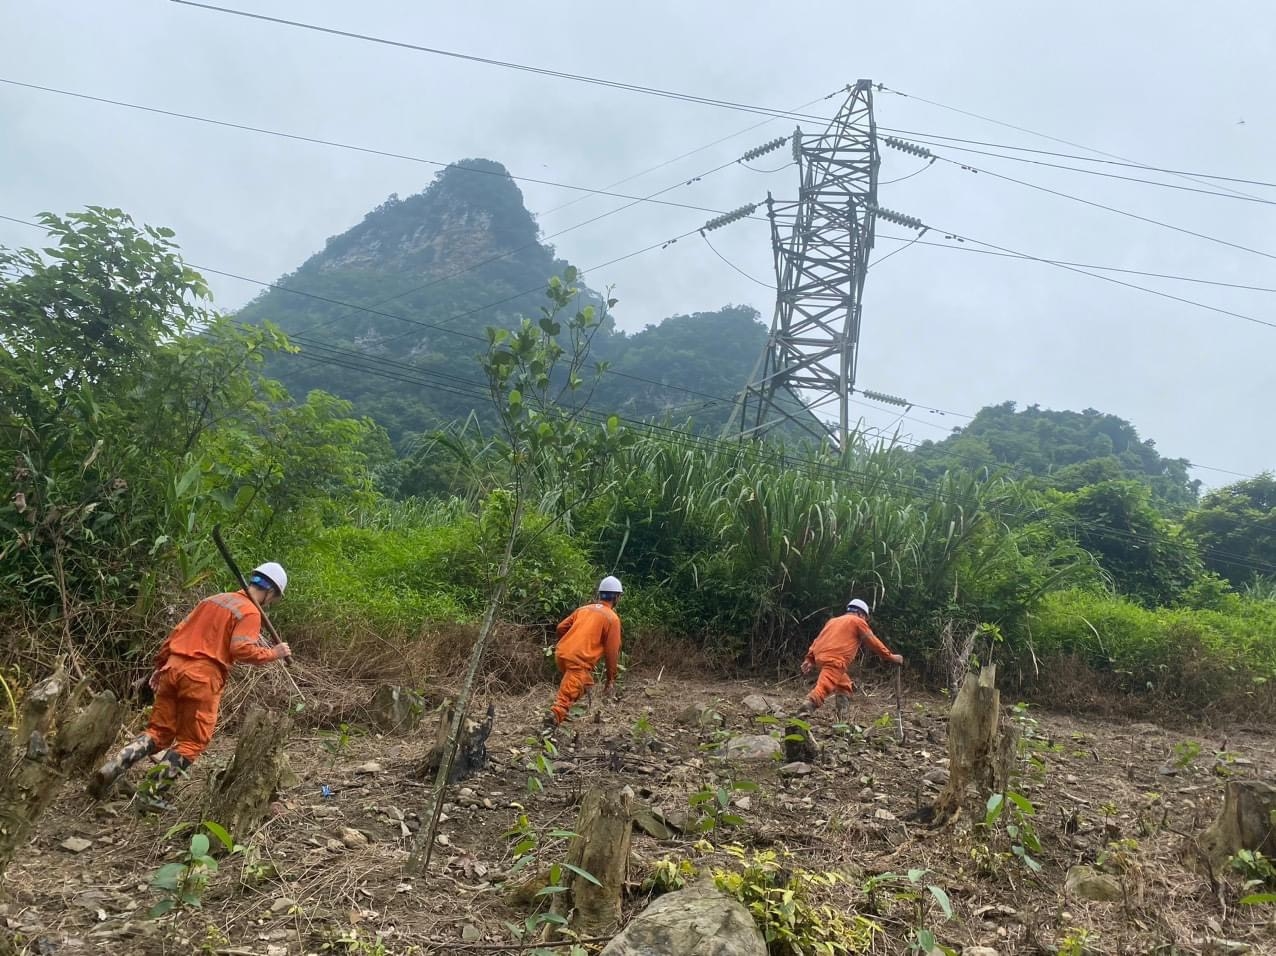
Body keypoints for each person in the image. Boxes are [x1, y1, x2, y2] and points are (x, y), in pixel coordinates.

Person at [88, 562, 292, 802]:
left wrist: (161, 666)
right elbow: (241, 649)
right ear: (270, 592)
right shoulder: (250, 611)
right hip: (202, 676)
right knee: (192, 741)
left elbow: (177, 632)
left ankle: (115, 765)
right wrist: (274, 653)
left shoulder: (213, 600)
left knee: (158, 732)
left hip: (173, 667)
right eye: (274, 599)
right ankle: (150, 795)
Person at [797, 598, 902, 716]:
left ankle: (842, 720)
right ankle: (806, 708)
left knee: (844, 685)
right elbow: (873, 642)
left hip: (820, 657)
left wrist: (809, 658)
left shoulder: (833, 621)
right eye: (865, 618)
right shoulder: (857, 621)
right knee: (824, 687)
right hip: (835, 660)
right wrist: (891, 657)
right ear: (860, 613)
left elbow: (818, 640)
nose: (865, 621)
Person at [545, 576, 623, 730]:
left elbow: (561, 627)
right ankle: (551, 722)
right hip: (578, 661)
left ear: (600, 594)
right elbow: (611, 653)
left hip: (561, 654)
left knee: (585, 683)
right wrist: (610, 679)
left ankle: (578, 712)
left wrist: (570, 642)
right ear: (616, 597)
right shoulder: (612, 618)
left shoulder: (583, 609)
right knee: (564, 699)